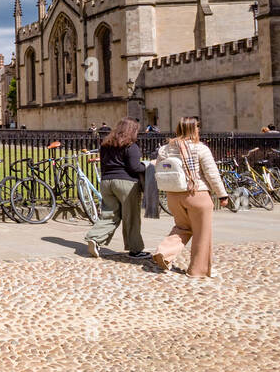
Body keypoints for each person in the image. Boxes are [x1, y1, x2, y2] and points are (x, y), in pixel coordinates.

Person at [153, 116, 230, 278]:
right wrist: (222, 194)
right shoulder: (200, 148)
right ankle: (198, 270)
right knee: (202, 234)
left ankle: (164, 252)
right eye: (197, 128)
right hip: (197, 194)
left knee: (182, 227)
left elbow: (159, 170)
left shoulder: (165, 149)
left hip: (173, 195)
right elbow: (212, 174)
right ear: (193, 129)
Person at [83, 117, 150, 259]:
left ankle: (94, 238)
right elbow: (135, 167)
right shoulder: (131, 146)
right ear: (132, 131)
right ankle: (135, 250)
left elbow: (103, 164)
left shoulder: (106, 145)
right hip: (126, 184)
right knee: (131, 217)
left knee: (109, 214)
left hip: (107, 182)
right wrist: (147, 165)